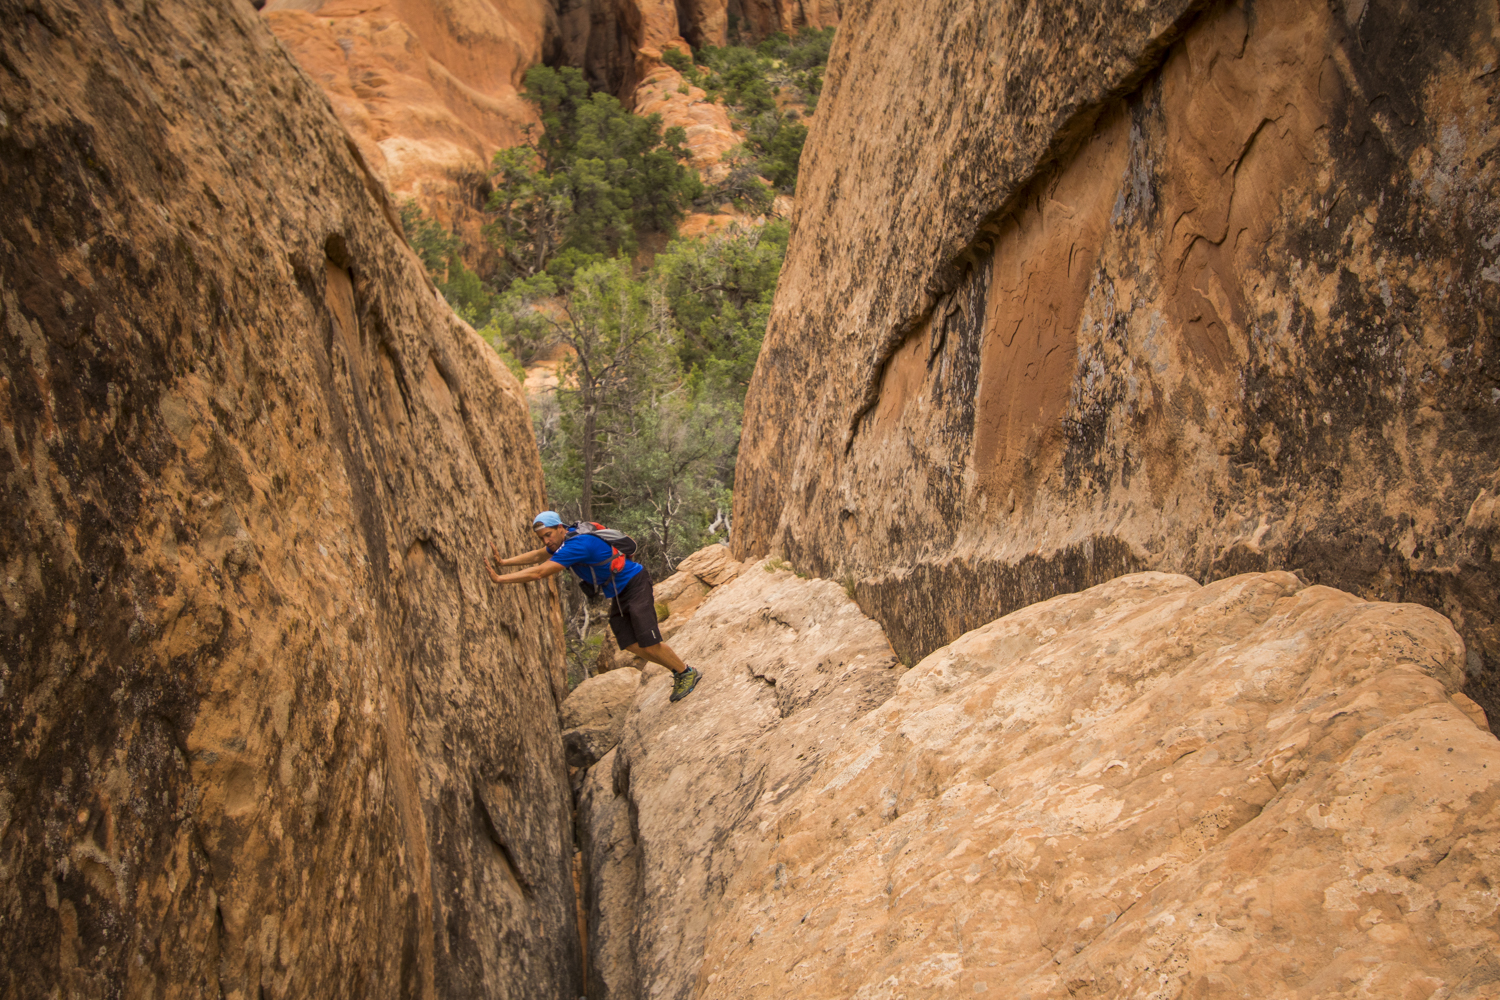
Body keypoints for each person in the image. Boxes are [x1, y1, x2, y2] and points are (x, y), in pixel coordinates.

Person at [486, 511, 702, 702]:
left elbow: (540, 571)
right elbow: (538, 555)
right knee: (629, 643)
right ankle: (677, 670)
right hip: (619, 592)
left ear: (560, 528)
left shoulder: (578, 545)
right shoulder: (565, 540)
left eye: (548, 535)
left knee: (649, 641)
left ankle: (685, 671)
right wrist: (504, 563)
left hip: (635, 583)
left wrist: (500, 579)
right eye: (542, 537)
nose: (546, 541)